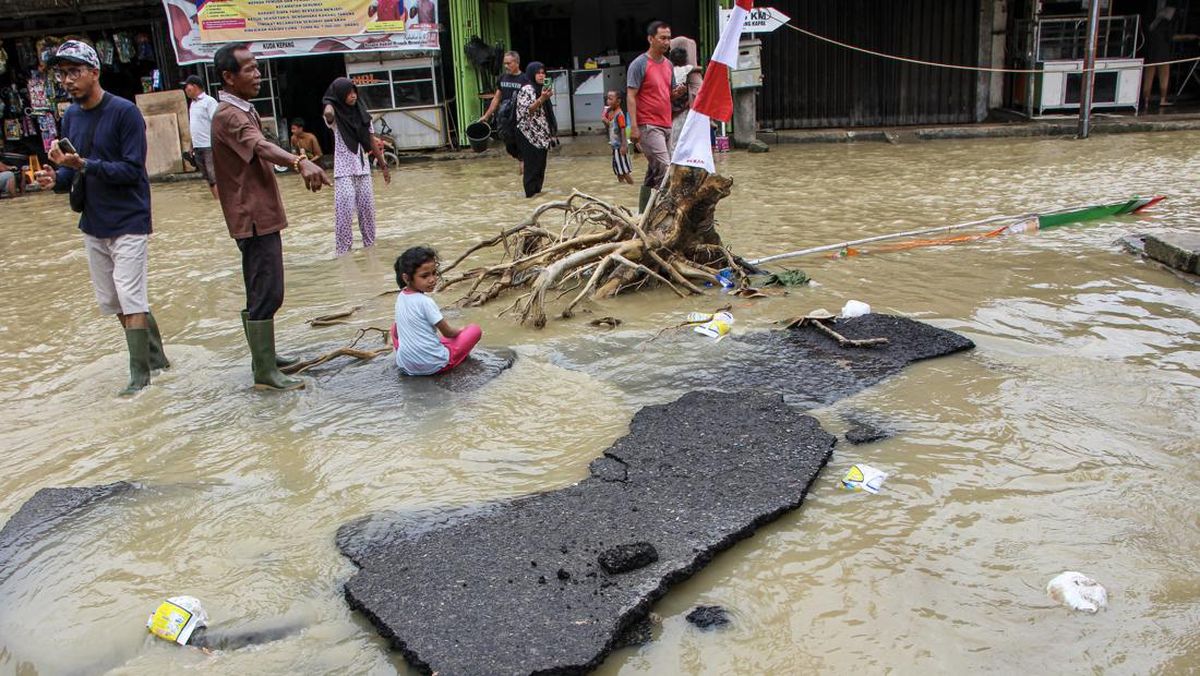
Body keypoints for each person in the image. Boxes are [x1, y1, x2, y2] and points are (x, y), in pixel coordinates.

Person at [33, 40, 169, 396]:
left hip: (129, 219)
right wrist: (54, 178)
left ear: (95, 72)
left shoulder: (125, 113)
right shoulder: (71, 117)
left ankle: (140, 379)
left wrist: (82, 164)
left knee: (130, 295)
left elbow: (132, 170)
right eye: (62, 74)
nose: (67, 80)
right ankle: (157, 360)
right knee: (114, 300)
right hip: (93, 220)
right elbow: (71, 173)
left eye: (74, 72)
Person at [210, 42, 330, 391]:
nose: (258, 74)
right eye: (249, 68)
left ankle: (264, 358)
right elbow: (261, 147)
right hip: (252, 215)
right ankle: (264, 371)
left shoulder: (241, 110)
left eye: (257, 67)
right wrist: (299, 161)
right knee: (267, 291)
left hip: (256, 212)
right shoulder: (230, 115)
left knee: (262, 289)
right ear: (229, 77)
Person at [323, 77, 391, 257]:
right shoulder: (336, 117)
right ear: (340, 95)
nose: (353, 96)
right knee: (344, 214)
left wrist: (383, 165)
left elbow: (371, 140)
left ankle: (370, 252)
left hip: (363, 169)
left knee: (368, 213)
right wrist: (329, 102)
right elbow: (328, 114)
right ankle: (343, 254)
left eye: (354, 92)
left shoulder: (362, 115)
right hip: (343, 172)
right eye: (348, 93)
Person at [391, 246, 482, 376]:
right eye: (425, 276)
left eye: (434, 273)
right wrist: (461, 330)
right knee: (474, 330)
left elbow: (397, 333)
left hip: (405, 364)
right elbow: (448, 333)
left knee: (394, 328)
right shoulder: (426, 302)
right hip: (433, 365)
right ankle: (442, 360)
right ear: (406, 278)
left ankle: (412, 355)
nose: (432, 279)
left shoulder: (401, 297)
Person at [627, 21, 687, 212]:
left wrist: (676, 93)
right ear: (650, 39)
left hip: (666, 123)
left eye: (668, 38)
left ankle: (643, 214)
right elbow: (631, 95)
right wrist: (634, 127)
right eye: (662, 38)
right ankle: (665, 212)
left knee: (654, 171)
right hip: (648, 125)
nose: (666, 42)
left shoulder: (668, 65)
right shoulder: (639, 64)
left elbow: (666, 94)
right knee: (666, 169)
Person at [478, 51, 530, 173]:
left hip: (521, 119)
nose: (506, 66)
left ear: (517, 63)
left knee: (522, 145)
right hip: (506, 119)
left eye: (509, 63)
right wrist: (486, 116)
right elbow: (497, 98)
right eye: (504, 64)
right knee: (509, 146)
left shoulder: (525, 80)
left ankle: (525, 165)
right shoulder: (502, 78)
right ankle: (521, 160)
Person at [515, 61, 553, 198]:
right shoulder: (527, 89)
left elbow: (546, 114)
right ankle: (530, 197)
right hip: (529, 135)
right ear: (532, 74)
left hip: (541, 136)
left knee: (540, 170)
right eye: (538, 73)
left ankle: (537, 197)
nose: (541, 76)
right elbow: (526, 110)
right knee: (531, 169)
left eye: (543, 73)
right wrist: (542, 98)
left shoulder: (542, 89)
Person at [182, 74, 219, 199]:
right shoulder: (192, 104)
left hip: (209, 146)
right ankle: (216, 200)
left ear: (195, 86)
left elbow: (217, 123)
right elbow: (195, 127)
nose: (186, 90)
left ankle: (220, 202)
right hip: (198, 146)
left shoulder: (209, 101)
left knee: (214, 177)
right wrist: (191, 146)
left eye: (187, 87)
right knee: (208, 178)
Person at [668, 37, 702, 154]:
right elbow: (698, 68)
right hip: (683, 103)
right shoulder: (687, 69)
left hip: (674, 104)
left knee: (674, 137)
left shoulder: (669, 70)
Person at [1142, 5, 1178, 110]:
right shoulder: (1166, 23)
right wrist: (1190, 36)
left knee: (1148, 77)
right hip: (1163, 54)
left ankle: (1146, 101)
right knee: (1164, 76)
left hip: (1151, 53)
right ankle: (1163, 99)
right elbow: (1171, 37)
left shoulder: (1152, 23)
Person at [602, 90, 633, 184]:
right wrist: (605, 120)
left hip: (620, 147)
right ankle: (623, 187)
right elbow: (612, 127)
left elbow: (623, 129)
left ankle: (632, 186)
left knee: (624, 171)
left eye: (611, 99)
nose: (608, 101)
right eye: (607, 99)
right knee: (618, 171)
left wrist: (624, 145)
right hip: (615, 147)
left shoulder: (619, 114)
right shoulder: (611, 113)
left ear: (618, 101)